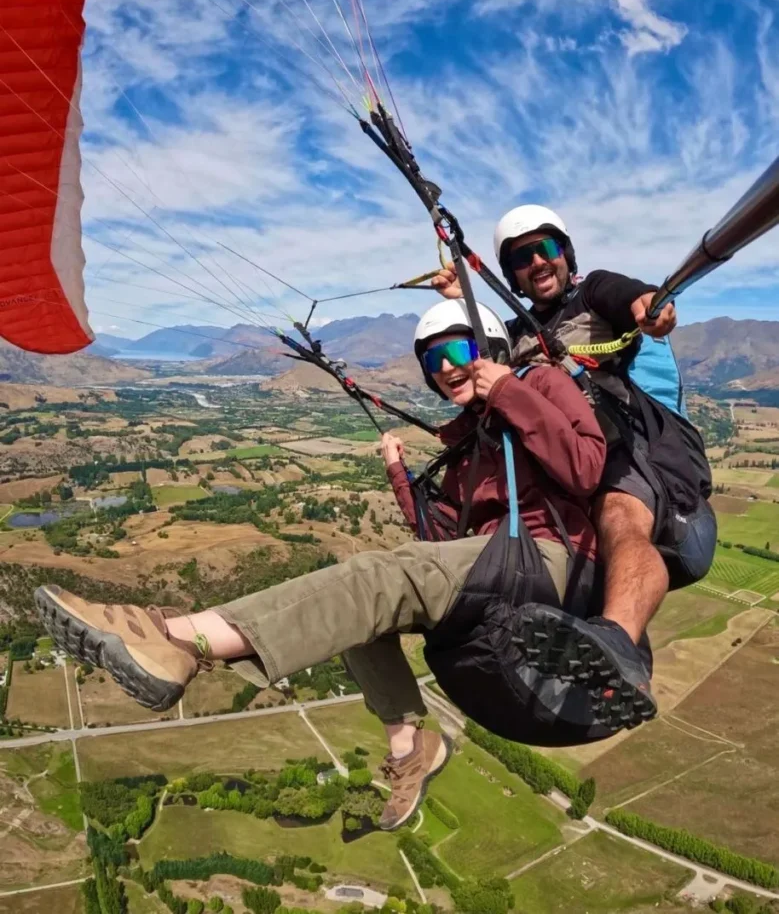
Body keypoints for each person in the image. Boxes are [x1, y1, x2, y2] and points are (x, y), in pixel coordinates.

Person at [35, 299, 607, 831]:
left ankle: (177, 637)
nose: (446, 368)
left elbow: (585, 467)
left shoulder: (540, 383)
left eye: (458, 351)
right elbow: (438, 543)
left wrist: (510, 389)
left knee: (376, 576)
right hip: (496, 569)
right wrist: (400, 479)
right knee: (359, 613)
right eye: (434, 360)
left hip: (550, 560)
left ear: (493, 350)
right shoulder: (468, 441)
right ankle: (411, 749)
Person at [433, 204, 716, 722]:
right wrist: (460, 300)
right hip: (565, 462)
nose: (537, 262)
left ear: (566, 254)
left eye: (546, 248)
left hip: (626, 448)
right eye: (521, 257)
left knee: (620, 518)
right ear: (512, 275)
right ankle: (595, 664)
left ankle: (620, 644)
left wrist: (651, 308)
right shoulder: (516, 333)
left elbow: (634, 299)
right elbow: (482, 347)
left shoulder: (593, 294)